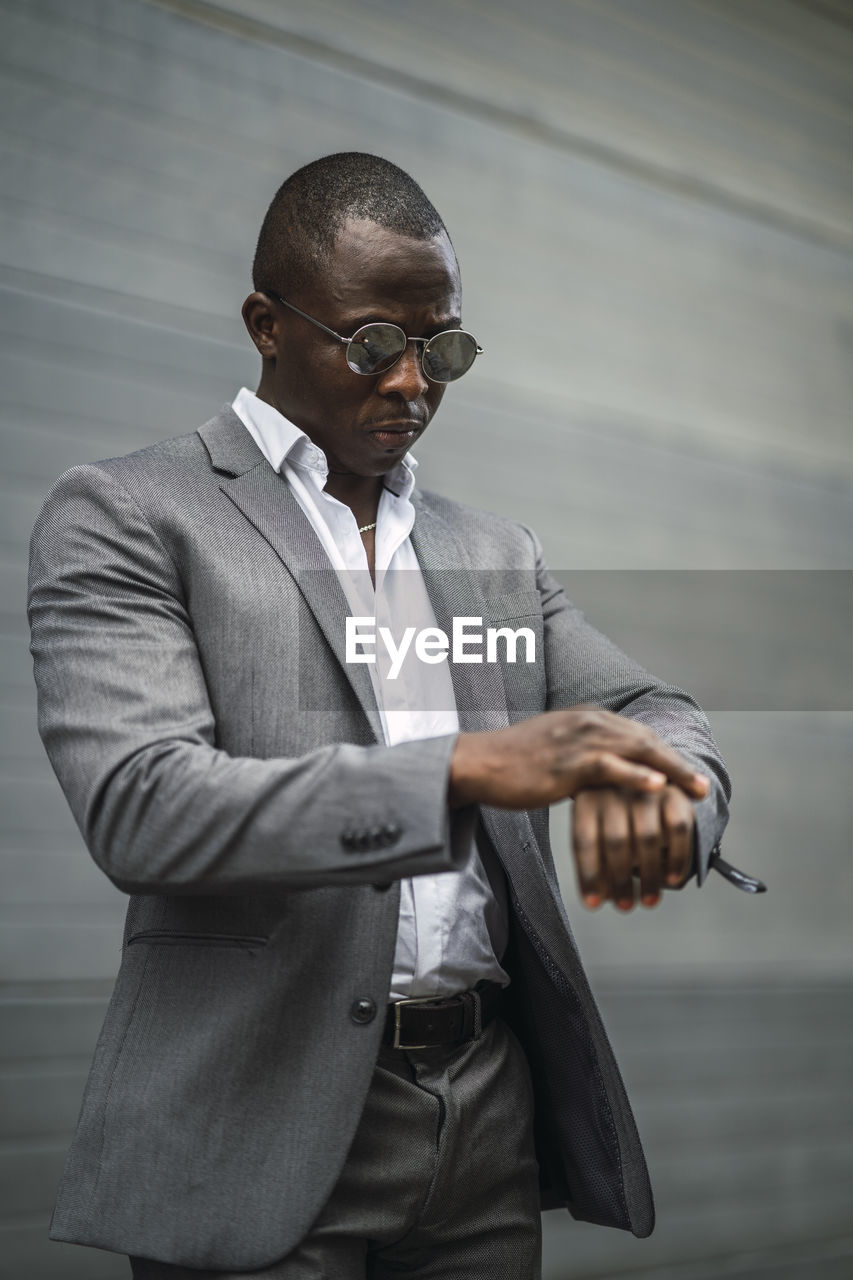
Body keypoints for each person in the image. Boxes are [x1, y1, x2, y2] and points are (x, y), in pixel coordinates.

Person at [29, 153, 738, 1279]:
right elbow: (142, 806)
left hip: (482, 1114)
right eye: (372, 344)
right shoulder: (132, 514)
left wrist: (664, 788)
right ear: (266, 323)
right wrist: (458, 771)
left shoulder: (492, 554)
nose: (412, 382)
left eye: (441, 346)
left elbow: (653, 710)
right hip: (257, 1120)